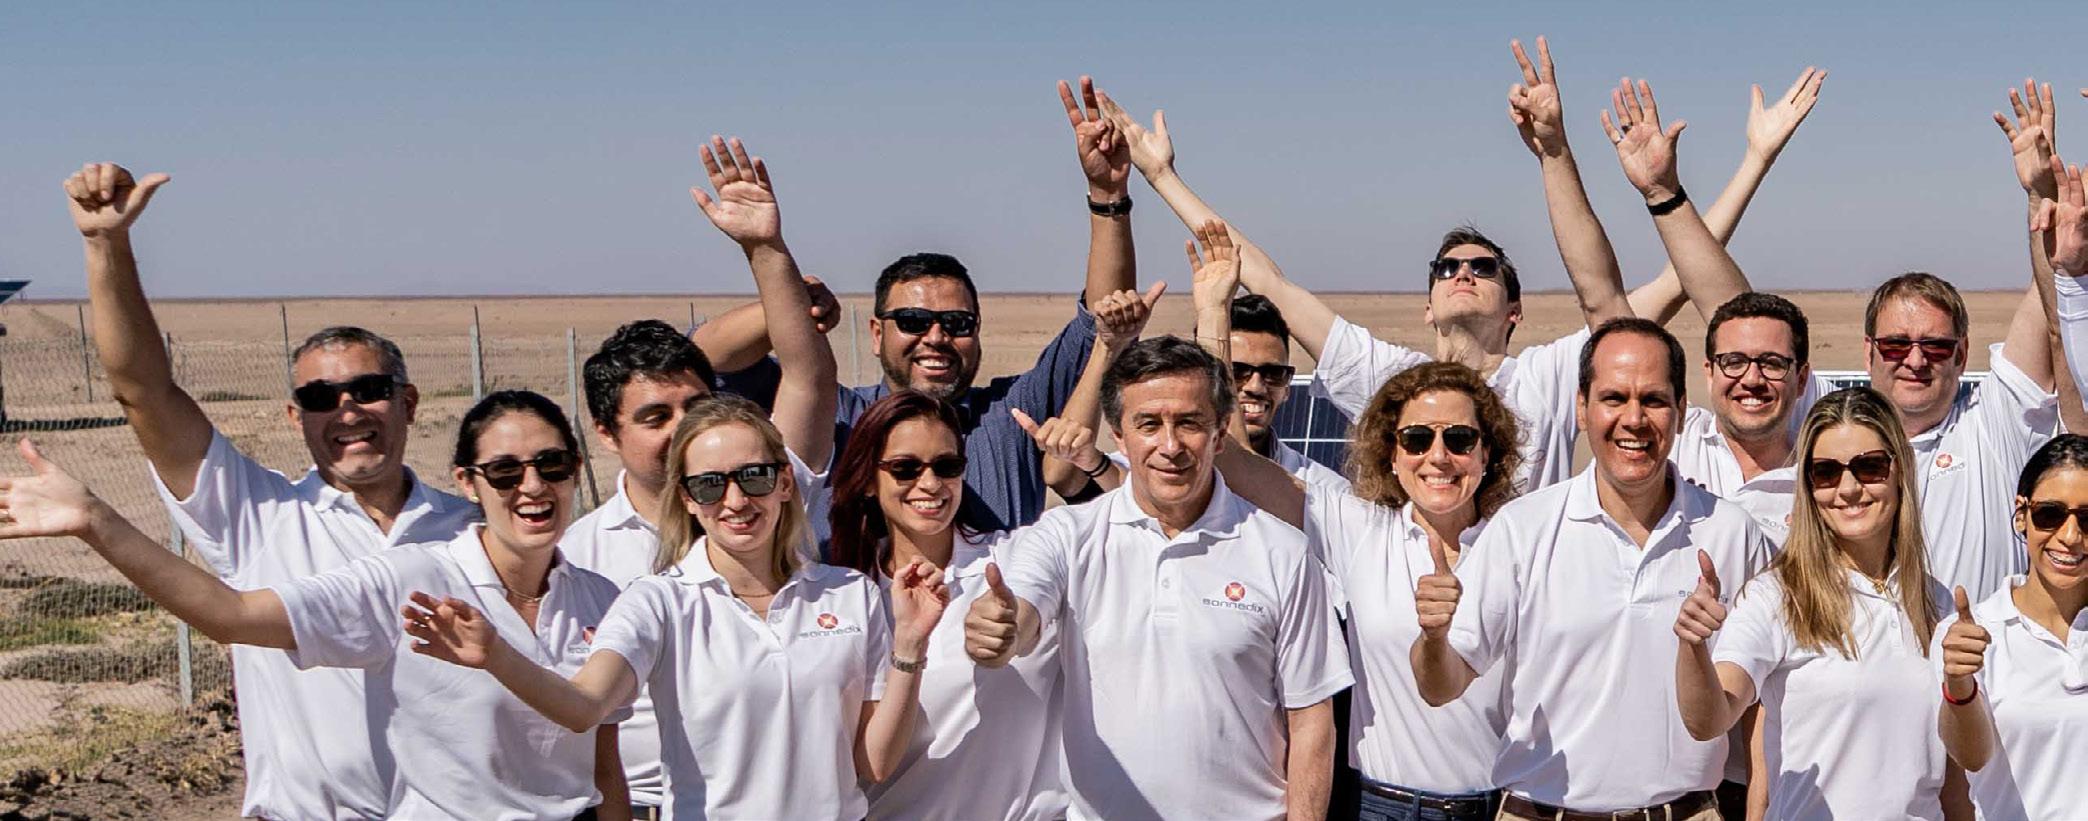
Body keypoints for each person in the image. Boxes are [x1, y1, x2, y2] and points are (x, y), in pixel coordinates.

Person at [60, 163, 480, 819]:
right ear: (295, 417)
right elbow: (143, 392)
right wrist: (105, 245)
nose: (347, 409)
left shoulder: (472, 530)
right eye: (320, 397)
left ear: (408, 402)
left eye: (369, 389)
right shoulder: (258, 517)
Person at [0, 391, 630, 820]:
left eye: (552, 464)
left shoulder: (598, 597)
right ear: (467, 482)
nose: (532, 486)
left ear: (576, 469)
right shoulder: (414, 578)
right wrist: (97, 522)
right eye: (504, 472)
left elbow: (604, 766)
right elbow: (231, 614)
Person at [966, 222, 1350, 820]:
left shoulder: (1282, 550)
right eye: (1149, 424)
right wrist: (999, 629)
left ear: (1219, 433)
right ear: (1119, 436)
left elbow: (1311, 718)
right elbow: (1020, 612)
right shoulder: (1069, 537)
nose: (1170, 446)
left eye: (1189, 423)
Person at [407, 395, 947, 820]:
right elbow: (584, 706)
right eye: (710, 486)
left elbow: (874, 762)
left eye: (754, 477)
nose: (736, 501)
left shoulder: (848, 592)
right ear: (687, 499)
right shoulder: (659, 602)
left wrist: (909, 645)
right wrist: (496, 655)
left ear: (785, 482)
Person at [696, 75, 1139, 531]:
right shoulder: (835, 417)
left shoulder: (1012, 416)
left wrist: (1108, 195)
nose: (936, 337)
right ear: (876, 333)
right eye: (912, 320)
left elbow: (1104, 318)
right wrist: (790, 299)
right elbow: (709, 361)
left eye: (957, 322)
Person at [1411, 317, 1774, 819]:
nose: (1634, 419)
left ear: (1681, 410)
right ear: (1581, 408)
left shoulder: (1733, 534)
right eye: (1614, 398)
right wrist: (1433, 638)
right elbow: (1440, 686)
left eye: (1653, 400)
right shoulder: (1524, 529)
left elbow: (1762, 702)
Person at [1218, 357, 1521, 821]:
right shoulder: (1359, 531)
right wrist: (1214, 321)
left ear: (1487, 453)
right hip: (1383, 808)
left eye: (1460, 439)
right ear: (1392, 455)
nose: (1439, 456)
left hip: (1503, 808)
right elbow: (1234, 462)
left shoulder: (1522, 541)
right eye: (1416, 439)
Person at [1673, 387, 1964, 819]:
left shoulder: (1936, 603)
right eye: (1825, 472)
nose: (1848, 489)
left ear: (1900, 469)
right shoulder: (1775, 596)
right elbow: (1709, 719)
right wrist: (1692, 646)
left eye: (1869, 467)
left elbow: (1953, 783)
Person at [1599, 70, 1832, 543]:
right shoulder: (1674, 444)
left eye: (1772, 363)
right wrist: (1662, 194)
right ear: (1707, 371)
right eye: (1733, 362)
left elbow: (1739, 314)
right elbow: (1732, 317)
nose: (1752, 378)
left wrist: (1750, 163)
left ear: (1801, 378)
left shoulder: (1827, 463)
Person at [826, 392, 1069, 820]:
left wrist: (1093, 467)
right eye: (905, 468)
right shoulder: (843, 599)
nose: (931, 483)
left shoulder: (1019, 558)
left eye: (947, 466)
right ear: (867, 481)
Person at [1935, 434, 2088, 821]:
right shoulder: (1968, 635)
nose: (2070, 536)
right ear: (2021, 514)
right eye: (2050, 514)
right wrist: (1959, 684)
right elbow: (1971, 757)